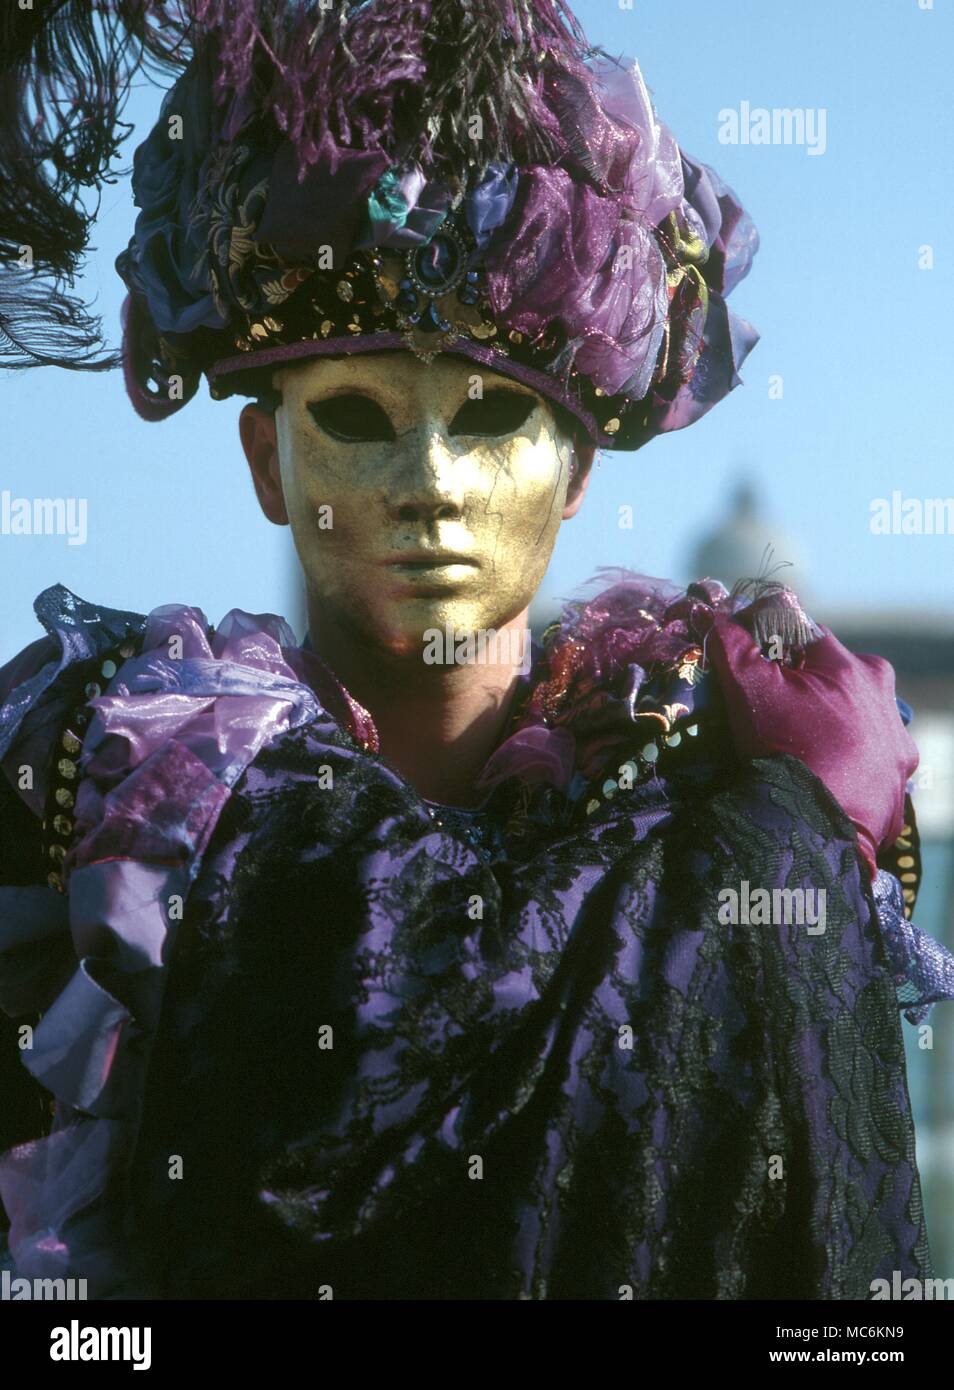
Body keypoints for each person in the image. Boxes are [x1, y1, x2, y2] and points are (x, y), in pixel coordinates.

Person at [1, 0, 952, 1300]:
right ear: (265, 464)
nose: (428, 482)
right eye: (355, 414)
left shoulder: (727, 807)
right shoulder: (115, 779)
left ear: (573, 474)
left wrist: (780, 831)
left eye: (493, 415)